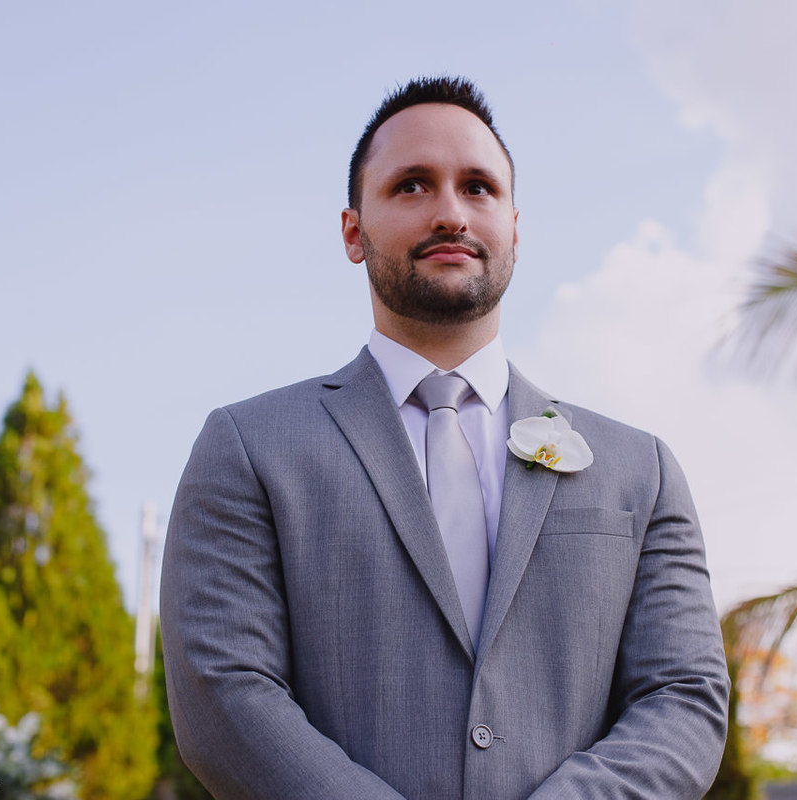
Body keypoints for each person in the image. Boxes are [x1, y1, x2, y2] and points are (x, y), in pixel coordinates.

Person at [159, 76, 729, 800]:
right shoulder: (247, 448)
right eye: (412, 186)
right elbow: (224, 696)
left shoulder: (640, 470)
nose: (451, 213)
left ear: (515, 229)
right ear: (352, 232)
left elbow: (684, 697)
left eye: (478, 188)